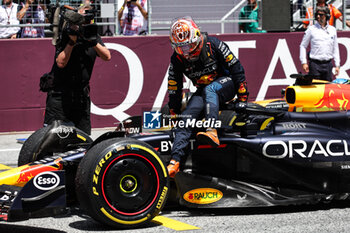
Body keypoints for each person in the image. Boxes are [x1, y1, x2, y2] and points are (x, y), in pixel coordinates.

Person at [166, 16, 248, 178]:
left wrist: (243, 97)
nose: (186, 52)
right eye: (181, 48)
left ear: (196, 37)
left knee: (211, 89)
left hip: (227, 85)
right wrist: (174, 110)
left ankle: (212, 131)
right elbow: (174, 86)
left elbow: (236, 68)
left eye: (188, 46)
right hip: (203, 91)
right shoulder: (176, 59)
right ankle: (175, 162)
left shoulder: (214, 44)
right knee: (186, 117)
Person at [43, 4, 111, 135]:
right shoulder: (66, 35)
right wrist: (72, 42)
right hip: (60, 95)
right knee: (52, 136)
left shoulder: (93, 36)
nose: (85, 22)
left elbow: (107, 56)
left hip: (81, 96)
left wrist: (92, 41)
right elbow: (61, 63)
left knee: (83, 137)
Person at [300, 6, 340, 82]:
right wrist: (304, 62)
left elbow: (335, 48)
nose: (318, 17)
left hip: (328, 64)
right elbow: (303, 45)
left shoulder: (332, 30)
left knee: (327, 89)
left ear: (327, 16)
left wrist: (337, 65)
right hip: (315, 64)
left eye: (321, 15)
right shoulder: (311, 29)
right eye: (317, 14)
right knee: (315, 89)